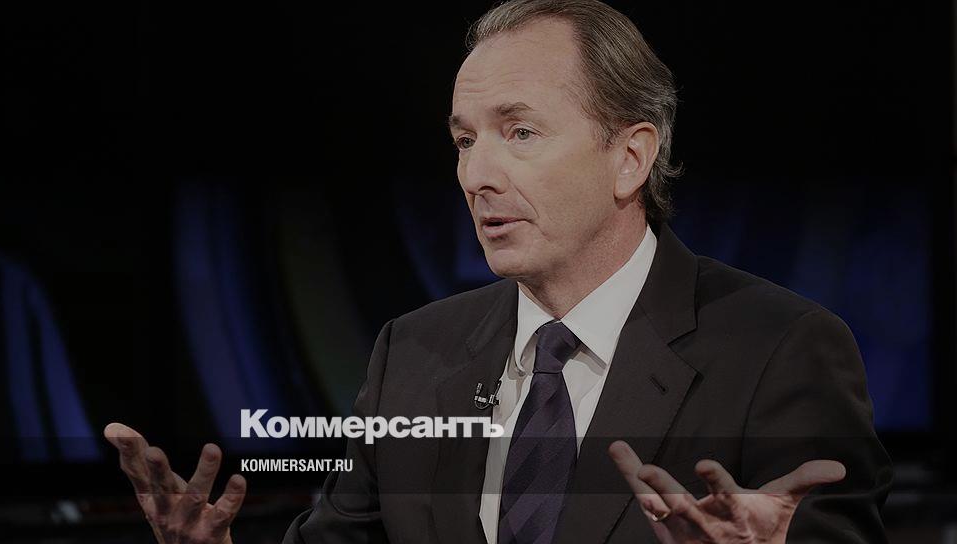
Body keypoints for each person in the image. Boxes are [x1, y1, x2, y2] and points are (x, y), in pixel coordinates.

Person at [105, 1, 893, 542]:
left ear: (629, 158)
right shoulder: (412, 354)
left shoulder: (781, 351)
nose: (476, 175)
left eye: (519, 133)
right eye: (464, 140)